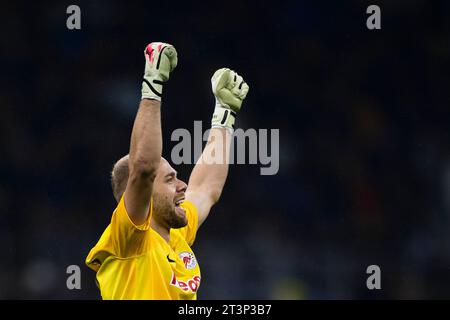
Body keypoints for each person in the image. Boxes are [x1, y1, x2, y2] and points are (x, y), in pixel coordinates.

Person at [85, 42, 249, 299]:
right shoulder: (129, 239)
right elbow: (144, 168)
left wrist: (224, 117)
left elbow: (206, 189)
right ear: (145, 190)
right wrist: (152, 84)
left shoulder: (176, 233)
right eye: (170, 179)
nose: (182, 185)